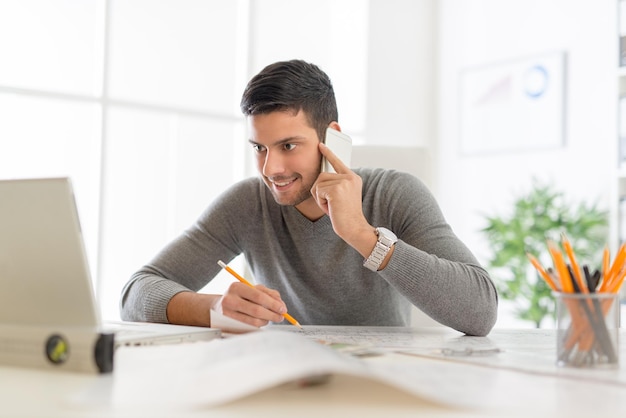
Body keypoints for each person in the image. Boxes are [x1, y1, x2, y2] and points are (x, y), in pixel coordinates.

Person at [120, 59, 498, 336]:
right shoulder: (247, 203)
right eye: (260, 148)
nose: (271, 169)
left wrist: (362, 236)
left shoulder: (396, 193)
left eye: (288, 145)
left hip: (377, 386)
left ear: (331, 136)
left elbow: (480, 313)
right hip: (283, 384)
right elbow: (137, 292)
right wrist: (213, 308)